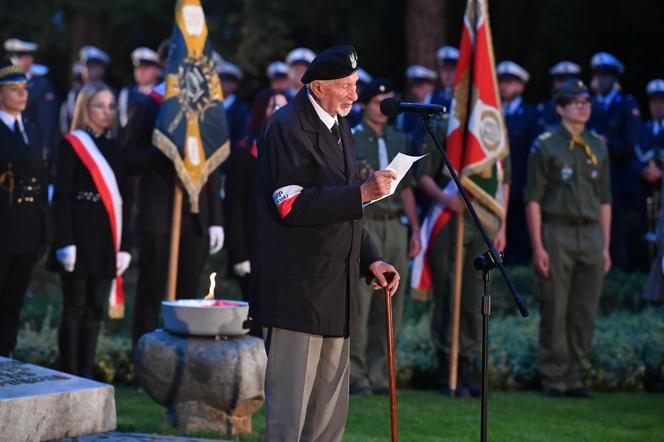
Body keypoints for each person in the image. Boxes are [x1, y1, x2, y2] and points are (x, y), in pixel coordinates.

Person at [252, 45, 400, 441]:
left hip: (335, 290)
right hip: (298, 291)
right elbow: (292, 204)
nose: (355, 95)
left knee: (328, 418)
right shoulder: (287, 126)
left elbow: (341, 205)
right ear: (317, 87)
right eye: (346, 87)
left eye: (355, 85)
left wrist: (371, 259)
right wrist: (363, 193)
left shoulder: (339, 126)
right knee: (291, 418)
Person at [124, 46, 225, 348]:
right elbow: (129, 158)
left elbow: (213, 165)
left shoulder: (204, 109)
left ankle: (183, 359)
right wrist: (165, 150)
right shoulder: (149, 104)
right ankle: (145, 359)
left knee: (188, 294)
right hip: (159, 214)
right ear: (166, 64)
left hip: (195, 216)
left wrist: (216, 218)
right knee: (152, 293)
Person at [525, 79, 612, 398]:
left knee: (584, 308)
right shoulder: (546, 145)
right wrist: (538, 246)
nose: (583, 107)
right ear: (560, 108)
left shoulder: (598, 145)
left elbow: (605, 199)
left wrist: (605, 245)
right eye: (575, 102)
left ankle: (577, 375)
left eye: (586, 101)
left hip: (590, 231)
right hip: (556, 230)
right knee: (555, 305)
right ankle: (554, 376)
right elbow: (533, 198)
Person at [416, 114, 510, 398]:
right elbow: (421, 175)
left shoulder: (493, 126)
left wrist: (502, 223)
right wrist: (448, 199)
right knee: (449, 298)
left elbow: (503, 179)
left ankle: (468, 366)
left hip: (483, 223)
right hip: (449, 221)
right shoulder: (447, 126)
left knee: (474, 299)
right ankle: (448, 367)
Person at [50, 82, 131, 377]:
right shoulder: (72, 144)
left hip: (105, 236)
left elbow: (125, 199)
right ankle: (67, 372)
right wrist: (64, 241)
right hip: (77, 234)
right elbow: (61, 196)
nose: (107, 111)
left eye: (111, 106)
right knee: (74, 307)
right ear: (85, 108)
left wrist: (125, 246)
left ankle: (85, 372)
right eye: (100, 105)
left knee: (95, 308)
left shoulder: (115, 148)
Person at [349, 78, 421, 396]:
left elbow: (405, 188)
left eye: (388, 99)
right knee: (361, 302)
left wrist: (416, 228)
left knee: (391, 300)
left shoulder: (399, 137)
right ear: (364, 104)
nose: (384, 106)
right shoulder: (351, 138)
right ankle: (356, 374)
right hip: (367, 220)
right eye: (378, 100)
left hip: (394, 223)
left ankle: (380, 374)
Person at [0, 61, 50, 357]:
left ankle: (5, 359)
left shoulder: (33, 129)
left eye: (25, 89)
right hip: (3, 226)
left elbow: (41, 180)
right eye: (14, 90)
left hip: (28, 228)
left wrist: (45, 227)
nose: (22, 95)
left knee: (13, 302)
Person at [225, 88, 288, 300]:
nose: (281, 111)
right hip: (253, 245)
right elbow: (234, 205)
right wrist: (239, 253)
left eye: (284, 106)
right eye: (275, 106)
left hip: (282, 247)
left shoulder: (293, 150)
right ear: (262, 111)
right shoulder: (243, 152)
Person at [587, 52, 641, 270]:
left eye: (606, 76)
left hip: (617, 179)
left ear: (614, 78)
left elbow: (632, 143)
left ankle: (618, 272)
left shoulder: (627, 104)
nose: (601, 80)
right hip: (591, 178)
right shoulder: (589, 104)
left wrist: (606, 144)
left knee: (617, 230)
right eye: (598, 75)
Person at [496, 61, 543, 265]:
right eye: (502, 82)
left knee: (520, 234)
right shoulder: (493, 113)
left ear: (521, 86)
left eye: (510, 82)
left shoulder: (532, 114)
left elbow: (534, 153)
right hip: (498, 183)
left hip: (521, 182)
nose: (504, 86)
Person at [4, 38, 58, 166]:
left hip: (31, 148)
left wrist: (44, 150)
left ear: (29, 60)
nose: (14, 61)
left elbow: (46, 122)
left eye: (19, 57)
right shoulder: (5, 82)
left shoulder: (41, 85)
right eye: (13, 57)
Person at [635, 79, 664, 268]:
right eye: (654, 102)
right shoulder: (642, 129)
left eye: (661, 101)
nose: (657, 106)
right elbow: (632, 157)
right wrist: (643, 170)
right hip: (645, 193)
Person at [60, 46, 111, 135]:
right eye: (86, 66)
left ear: (102, 70)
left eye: (93, 67)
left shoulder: (109, 93)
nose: (88, 70)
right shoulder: (75, 94)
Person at [396, 65, 437, 156]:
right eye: (415, 85)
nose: (417, 89)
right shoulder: (406, 112)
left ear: (432, 86)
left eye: (422, 85)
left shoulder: (439, 106)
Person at [118, 47, 162, 128]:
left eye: (146, 68)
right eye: (137, 68)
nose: (140, 71)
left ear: (158, 70)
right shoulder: (127, 93)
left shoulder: (163, 93)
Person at [537, 61, 582, 132]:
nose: (566, 84)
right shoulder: (544, 109)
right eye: (561, 80)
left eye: (570, 80)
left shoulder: (585, 108)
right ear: (554, 82)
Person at [218, 61, 250, 146]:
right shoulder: (209, 107)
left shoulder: (242, 109)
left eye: (227, 81)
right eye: (220, 80)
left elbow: (242, 139)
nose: (221, 84)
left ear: (235, 85)